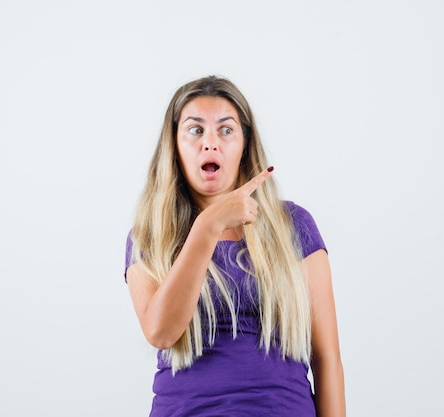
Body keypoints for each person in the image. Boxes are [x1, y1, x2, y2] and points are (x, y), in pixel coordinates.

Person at [124, 75, 345, 416]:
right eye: (195, 130)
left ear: (244, 145)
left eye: (226, 130)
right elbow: (161, 331)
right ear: (175, 145)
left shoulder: (293, 225)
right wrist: (208, 226)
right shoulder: (150, 237)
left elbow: (326, 358)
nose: (210, 143)